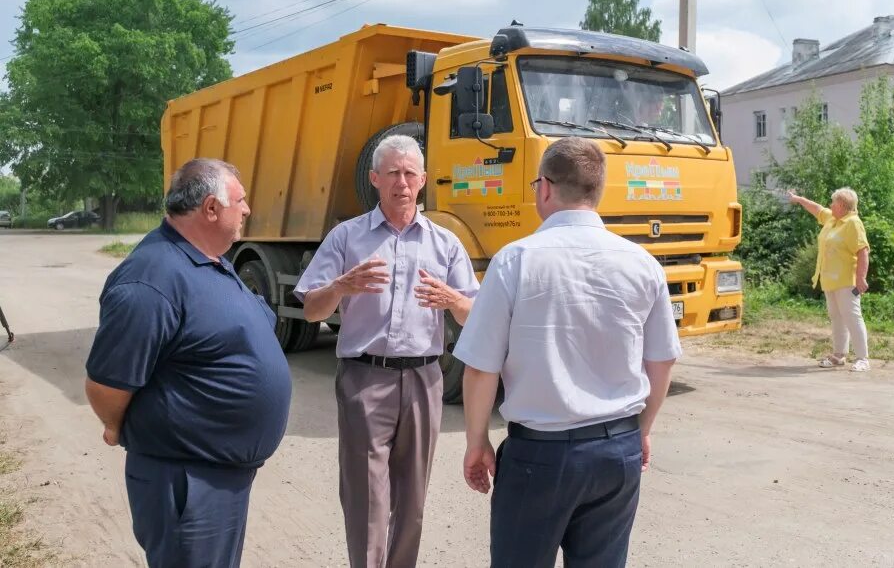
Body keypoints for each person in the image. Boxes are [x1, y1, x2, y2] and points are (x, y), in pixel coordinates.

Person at [455, 137, 680, 568]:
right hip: (618, 452)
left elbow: (481, 367)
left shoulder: (514, 261)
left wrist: (477, 440)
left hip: (539, 457)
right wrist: (643, 430)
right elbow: (661, 360)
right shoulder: (642, 263)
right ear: (597, 191)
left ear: (545, 188)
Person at [85, 158, 292, 568]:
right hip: (186, 482)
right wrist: (115, 424)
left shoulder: (212, 260)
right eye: (241, 200)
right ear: (211, 208)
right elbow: (106, 386)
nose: (248, 209)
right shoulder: (151, 279)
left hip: (218, 476)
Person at [294, 134, 478, 568]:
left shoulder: (445, 243)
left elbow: (474, 314)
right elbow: (308, 310)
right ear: (375, 178)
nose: (402, 182)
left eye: (410, 173)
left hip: (424, 378)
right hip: (364, 378)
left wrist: (452, 300)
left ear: (424, 180)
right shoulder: (347, 237)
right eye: (392, 173)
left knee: (412, 498)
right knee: (366, 497)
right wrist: (341, 286)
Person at [788, 187, 872, 371]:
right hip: (830, 280)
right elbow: (817, 209)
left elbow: (863, 251)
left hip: (847, 280)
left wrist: (861, 279)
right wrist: (799, 199)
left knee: (852, 317)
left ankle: (862, 359)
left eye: (833, 202)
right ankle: (839, 355)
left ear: (842, 205)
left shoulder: (852, 223)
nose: (830, 205)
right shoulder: (833, 219)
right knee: (836, 317)